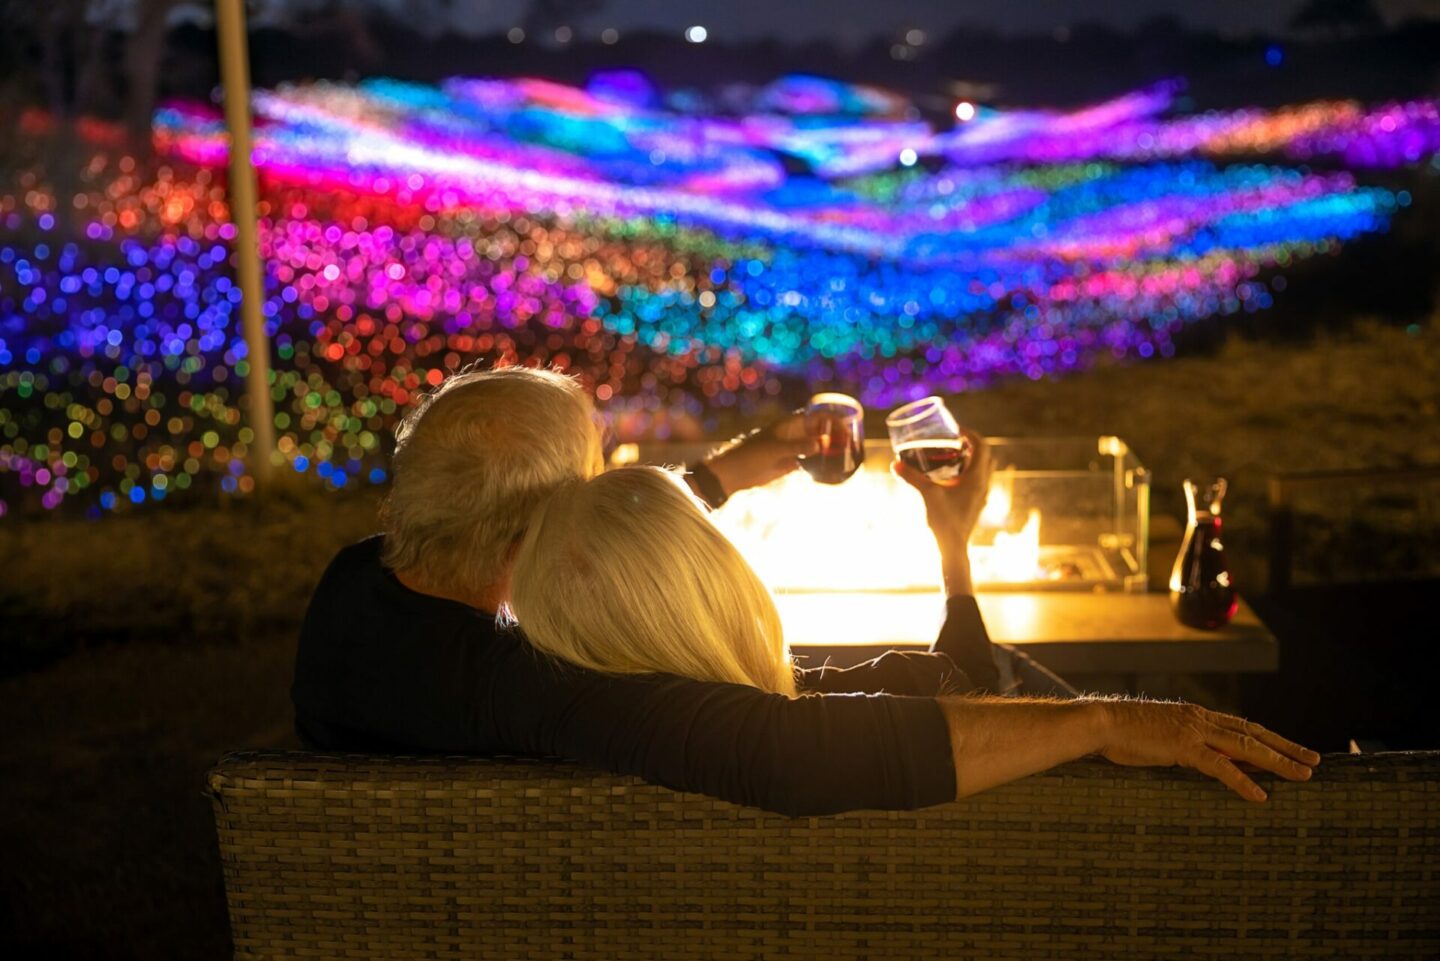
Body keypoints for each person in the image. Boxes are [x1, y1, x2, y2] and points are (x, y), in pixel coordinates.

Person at [292, 365, 1319, 816]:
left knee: (916, 669)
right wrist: (1098, 714)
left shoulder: (362, 592)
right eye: (597, 476)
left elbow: (555, 542)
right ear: (540, 528)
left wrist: (738, 467)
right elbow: (794, 746)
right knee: (939, 672)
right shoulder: (541, 691)